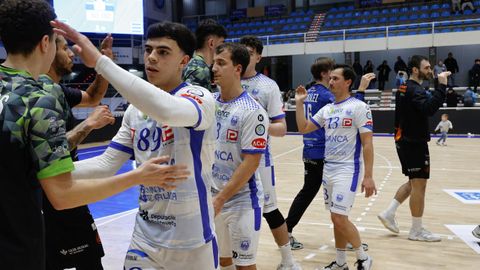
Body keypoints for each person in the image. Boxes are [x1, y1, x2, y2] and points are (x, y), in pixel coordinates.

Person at [0, 1, 188, 269]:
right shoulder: (40, 97)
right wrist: (137, 176)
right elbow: (62, 196)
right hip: (17, 248)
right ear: (45, 43)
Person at [60, 21, 219, 269]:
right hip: (145, 237)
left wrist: (103, 63)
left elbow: (166, 110)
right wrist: (45, 172)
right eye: (148, 50)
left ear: (184, 61)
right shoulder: (136, 110)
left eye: (163, 52)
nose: (152, 57)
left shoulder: (199, 97)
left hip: (192, 241)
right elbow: (105, 164)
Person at [40, 34, 114, 270]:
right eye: (64, 48)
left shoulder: (58, 91)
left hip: (68, 188)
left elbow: (94, 96)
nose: (72, 53)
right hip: (50, 194)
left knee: (89, 259)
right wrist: (88, 124)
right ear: (48, 48)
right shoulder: (37, 96)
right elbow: (48, 152)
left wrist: (104, 63)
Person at [295, 64, 376, 270]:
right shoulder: (327, 109)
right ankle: (340, 263)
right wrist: (298, 104)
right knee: (336, 218)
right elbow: (304, 128)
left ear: (348, 82)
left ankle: (363, 257)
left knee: (339, 217)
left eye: (335, 78)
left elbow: (367, 143)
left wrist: (368, 176)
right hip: (328, 169)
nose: (330, 82)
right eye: (329, 78)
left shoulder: (359, 107)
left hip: (347, 169)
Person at [238, 35, 300, 270]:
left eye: (250, 52)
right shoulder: (223, 81)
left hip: (259, 159)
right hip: (227, 160)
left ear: (258, 56)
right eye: (242, 50)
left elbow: (281, 128)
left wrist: (255, 125)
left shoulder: (267, 86)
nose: (245, 55)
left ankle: (288, 260)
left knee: (270, 209)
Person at [377, 55, 450, 242]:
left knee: (413, 182)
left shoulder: (405, 87)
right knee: (420, 185)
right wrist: (442, 86)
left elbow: (421, 107)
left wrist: (437, 83)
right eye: (426, 68)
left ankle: (388, 213)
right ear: (415, 70)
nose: (430, 70)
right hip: (413, 142)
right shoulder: (414, 89)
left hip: (406, 140)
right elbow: (429, 109)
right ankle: (416, 230)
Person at [211, 42, 268, 270]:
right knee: (222, 260)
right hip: (213, 196)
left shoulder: (253, 111)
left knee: (244, 265)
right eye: (214, 62)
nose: (214, 68)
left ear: (238, 68)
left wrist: (221, 198)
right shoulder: (209, 103)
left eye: (221, 63)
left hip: (243, 200)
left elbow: (251, 162)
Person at [182, 19, 227, 92]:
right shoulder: (200, 70)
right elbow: (195, 102)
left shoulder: (190, 60)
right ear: (211, 43)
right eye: (221, 43)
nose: (223, 47)